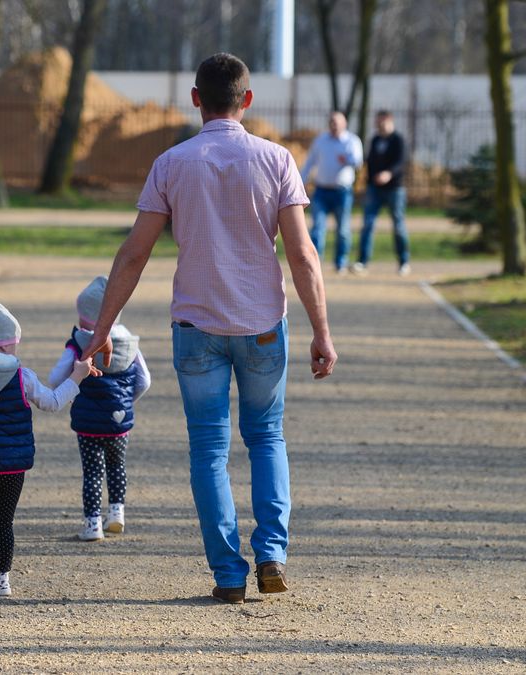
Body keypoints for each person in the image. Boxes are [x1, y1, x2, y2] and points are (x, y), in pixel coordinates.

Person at [79, 53, 337, 604]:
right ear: (246, 100)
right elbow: (303, 254)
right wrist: (322, 330)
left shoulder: (171, 163)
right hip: (264, 324)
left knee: (208, 449)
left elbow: (133, 256)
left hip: (196, 326)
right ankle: (271, 553)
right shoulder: (276, 160)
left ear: (195, 99)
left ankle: (226, 572)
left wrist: (103, 328)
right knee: (267, 437)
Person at [0, 297, 92, 602]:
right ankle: (3, 578)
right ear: (4, 346)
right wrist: (77, 376)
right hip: (12, 466)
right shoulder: (22, 377)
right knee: (4, 522)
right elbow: (53, 402)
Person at [49, 276, 151, 541]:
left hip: (88, 424)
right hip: (120, 422)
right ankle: (117, 513)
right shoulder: (130, 344)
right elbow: (144, 381)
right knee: (117, 466)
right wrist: (126, 403)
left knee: (93, 472)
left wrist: (70, 391)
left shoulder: (77, 344)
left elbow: (55, 378)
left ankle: (92, 523)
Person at [299, 111, 363, 274]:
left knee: (342, 230)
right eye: (331, 122)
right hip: (321, 190)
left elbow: (358, 162)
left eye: (337, 122)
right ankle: (315, 262)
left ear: (344, 124)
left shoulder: (351, 141)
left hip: (342, 192)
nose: (333, 125)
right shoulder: (321, 141)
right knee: (318, 228)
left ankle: (341, 262)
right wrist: (301, 181)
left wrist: (347, 160)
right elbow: (310, 162)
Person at [353, 110, 411, 276]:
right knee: (368, 225)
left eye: (381, 122)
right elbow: (369, 162)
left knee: (398, 225)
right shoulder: (375, 140)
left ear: (389, 121)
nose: (378, 125)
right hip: (374, 189)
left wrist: (389, 174)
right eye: (376, 122)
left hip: (395, 189)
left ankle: (403, 261)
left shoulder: (398, 140)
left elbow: (401, 162)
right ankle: (362, 262)